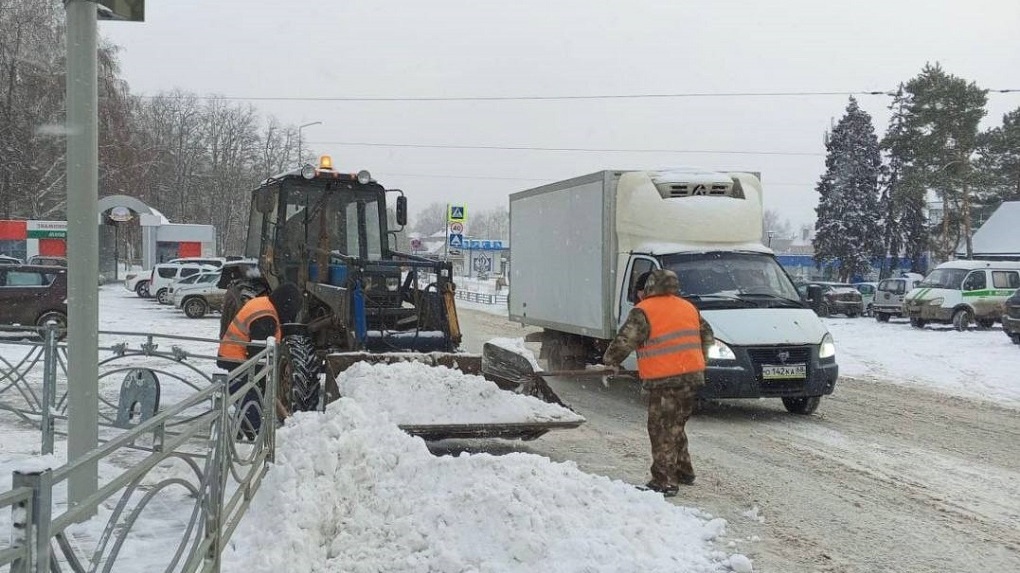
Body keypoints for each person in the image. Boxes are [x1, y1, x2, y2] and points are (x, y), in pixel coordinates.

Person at [602, 269, 713, 497]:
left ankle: (664, 481)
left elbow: (625, 340)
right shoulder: (687, 307)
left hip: (664, 380)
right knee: (676, 424)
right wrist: (697, 361)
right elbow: (708, 336)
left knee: (661, 428)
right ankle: (683, 470)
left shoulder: (644, 310)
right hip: (691, 377)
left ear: (650, 287)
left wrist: (611, 361)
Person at [217, 282, 303, 438]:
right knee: (251, 403)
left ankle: (240, 436)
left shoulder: (264, 303)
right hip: (238, 360)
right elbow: (258, 354)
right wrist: (263, 380)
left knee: (248, 399)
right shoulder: (266, 316)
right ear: (286, 305)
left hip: (235, 356)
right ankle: (251, 439)